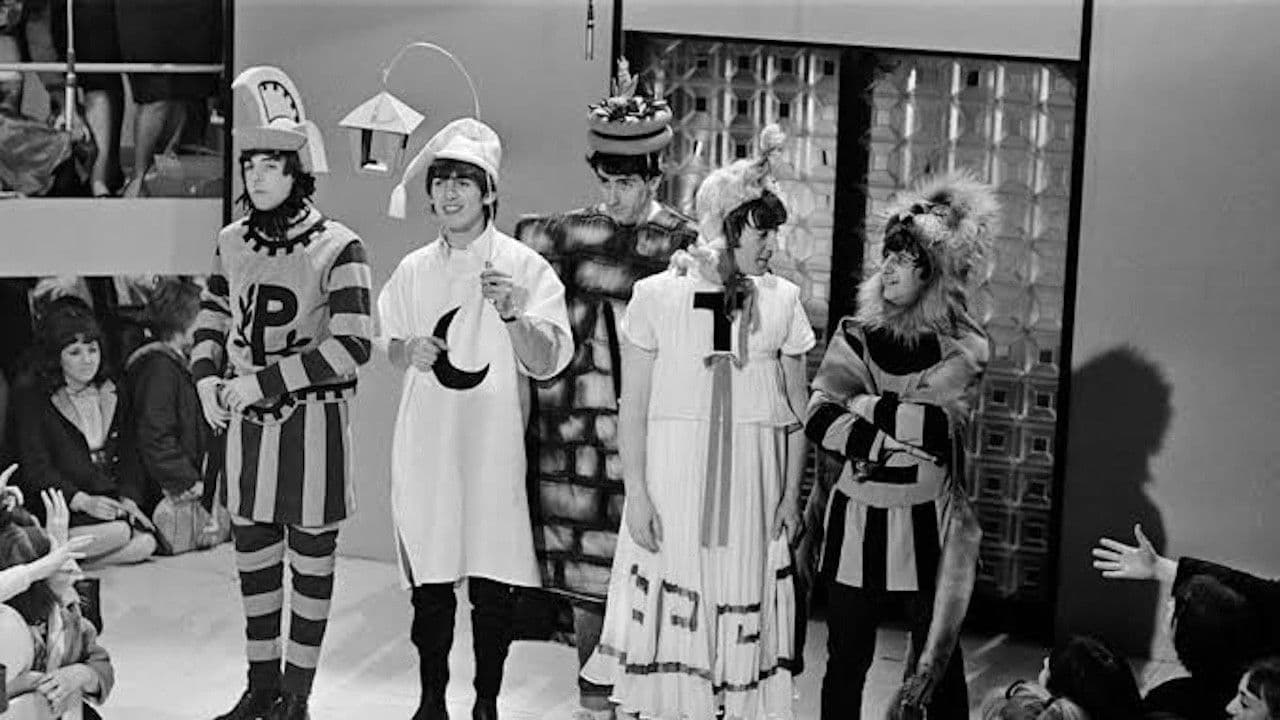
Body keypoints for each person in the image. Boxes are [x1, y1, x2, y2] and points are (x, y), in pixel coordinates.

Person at [579, 125, 812, 720]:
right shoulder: (656, 296)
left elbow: (797, 417)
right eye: (762, 230)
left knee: (738, 619)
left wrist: (790, 497)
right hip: (673, 487)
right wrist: (636, 494)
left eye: (775, 231)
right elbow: (632, 407)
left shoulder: (783, 301)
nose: (772, 244)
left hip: (751, 494)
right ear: (729, 226)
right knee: (674, 637)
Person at [512, 57, 697, 720]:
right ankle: (595, 708)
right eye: (607, 182)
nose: (616, 195)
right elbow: (522, 263)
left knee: (656, 588)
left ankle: (642, 706)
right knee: (589, 589)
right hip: (577, 441)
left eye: (628, 183)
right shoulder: (565, 239)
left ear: (653, 177)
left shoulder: (684, 247)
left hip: (653, 441)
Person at [378, 116, 573, 720]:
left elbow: (547, 362)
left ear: (489, 192)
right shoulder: (414, 269)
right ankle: (431, 701)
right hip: (429, 443)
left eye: (463, 181)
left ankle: (486, 702)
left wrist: (514, 314)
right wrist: (407, 351)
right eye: (440, 182)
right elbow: (388, 342)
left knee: (493, 583)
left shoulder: (524, 267)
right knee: (431, 584)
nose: (449, 193)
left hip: (492, 445)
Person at [192, 66, 371, 720]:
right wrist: (205, 377)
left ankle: (297, 696)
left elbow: (352, 345)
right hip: (248, 431)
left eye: (271, 165)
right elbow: (212, 317)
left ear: (298, 172)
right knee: (255, 568)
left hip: (312, 429)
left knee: (313, 569)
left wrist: (259, 383)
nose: (257, 176)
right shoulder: (231, 241)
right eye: (250, 165)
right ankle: (260, 685)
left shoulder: (340, 246)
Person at [805, 171, 998, 719]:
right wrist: (897, 437)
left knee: (937, 667)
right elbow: (819, 417)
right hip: (855, 523)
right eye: (886, 255)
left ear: (932, 273)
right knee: (845, 662)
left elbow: (937, 431)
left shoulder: (965, 344)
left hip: (929, 526)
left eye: (905, 259)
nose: (887, 268)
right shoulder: (856, 332)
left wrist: (863, 406)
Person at [12, 301, 158, 567]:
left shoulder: (113, 390)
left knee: (146, 542)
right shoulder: (33, 398)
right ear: (56, 356)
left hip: (108, 505)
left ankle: (66, 563)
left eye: (92, 349)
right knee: (120, 533)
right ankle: (56, 556)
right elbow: (37, 470)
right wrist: (82, 501)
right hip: (65, 507)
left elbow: (130, 454)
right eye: (75, 352)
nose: (87, 359)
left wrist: (129, 499)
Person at [120, 277, 226, 554]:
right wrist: (187, 481)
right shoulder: (158, 368)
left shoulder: (173, 365)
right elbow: (155, 435)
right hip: (164, 492)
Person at [1, 490, 113, 719]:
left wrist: (81, 674)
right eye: (60, 562)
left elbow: (100, 665)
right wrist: (20, 686)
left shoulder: (66, 616)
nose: (76, 571)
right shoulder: (7, 627)